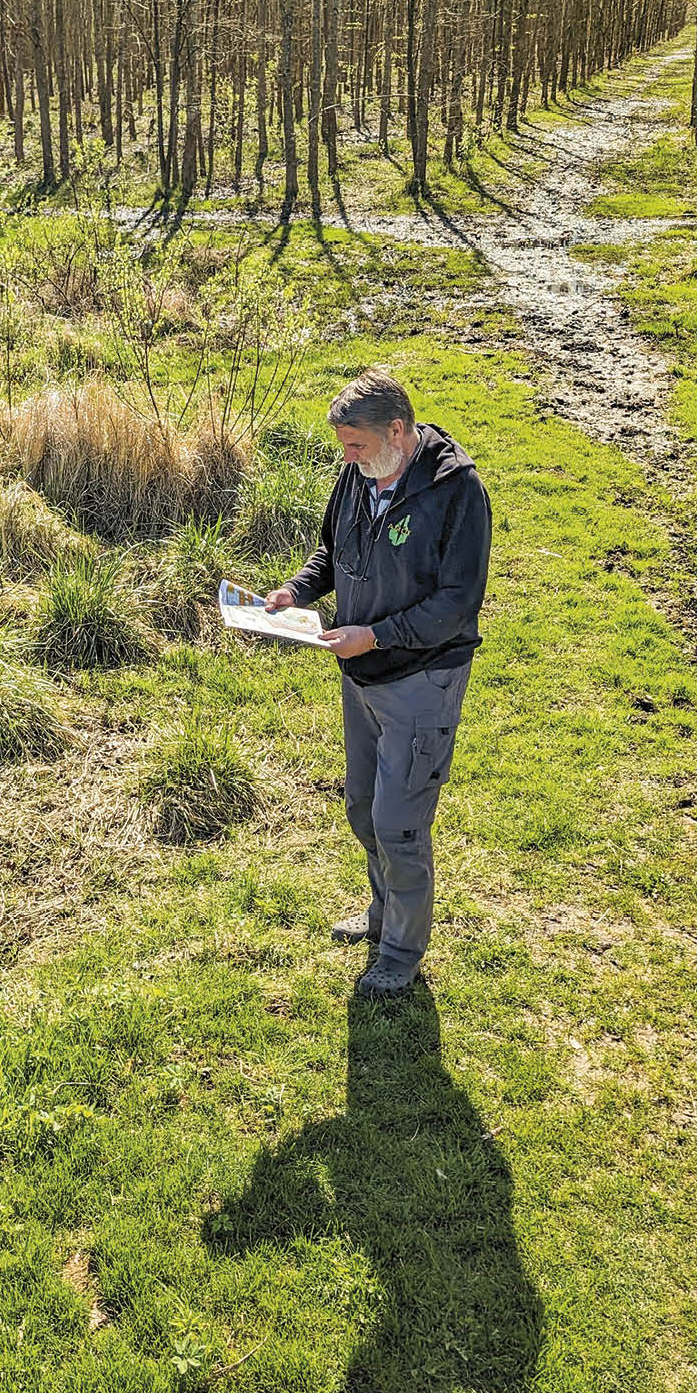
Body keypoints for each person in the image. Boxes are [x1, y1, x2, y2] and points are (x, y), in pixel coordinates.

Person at [263, 370, 492, 998]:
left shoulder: (456, 491)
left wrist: (378, 635)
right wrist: (298, 592)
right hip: (359, 676)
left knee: (399, 824)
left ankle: (399, 952)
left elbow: (456, 602)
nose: (347, 457)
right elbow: (330, 553)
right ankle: (383, 911)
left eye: (356, 445)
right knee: (363, 807)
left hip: (423, 680)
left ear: (398, 430)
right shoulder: (359, 473)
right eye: (343, 446)